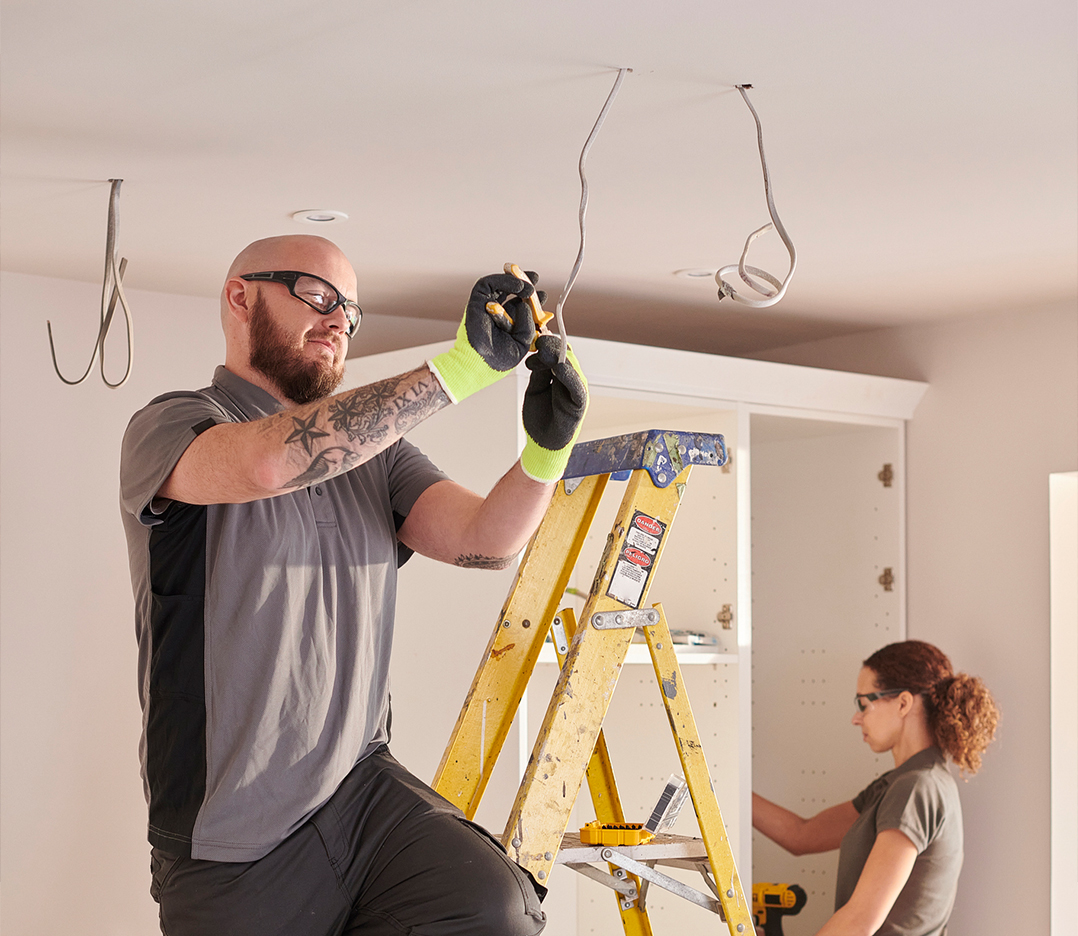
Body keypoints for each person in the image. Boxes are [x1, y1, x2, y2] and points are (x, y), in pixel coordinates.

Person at [119, 234, 589, 936]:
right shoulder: (177, 425)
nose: (339, 319)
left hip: (359, 787)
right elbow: (271, 466)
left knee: (495, 906)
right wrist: (456, 371)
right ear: (240, 297)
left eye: (351, 310)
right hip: (230, 827)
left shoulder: (378, 455)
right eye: (318, 295)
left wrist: (548, 451)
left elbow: (488, 541)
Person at [752, 640, 999, 936]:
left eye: (864, 703)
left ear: (903, 703)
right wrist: (720, 790)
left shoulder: (916, 788)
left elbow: (859, 921)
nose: (857, 718)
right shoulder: (897, 785)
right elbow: (801, 835)